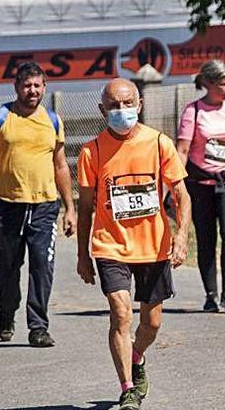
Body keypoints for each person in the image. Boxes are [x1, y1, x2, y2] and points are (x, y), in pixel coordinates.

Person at [76, 78, 191, 410]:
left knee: (151, 323)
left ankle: (137, 354)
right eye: (113, 105)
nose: (121, 111)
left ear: (139, 104)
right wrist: (83, 255)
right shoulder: (91, 151)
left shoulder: (158, 144)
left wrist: (181, 237)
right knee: (120, 313)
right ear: (102, 110)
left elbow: (182, 195)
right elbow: (85, 208)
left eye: (127, 104)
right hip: (110, 245)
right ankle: (128, 388)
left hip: (154, 246)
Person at [0, 61, 75, 348]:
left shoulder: (53, 120)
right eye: (26, 85)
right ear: (16, 86)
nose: (32, 91)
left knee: (42, 265)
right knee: (8, 265)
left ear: (45, 87)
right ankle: (8, 310)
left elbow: (60, 165)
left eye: (37, 85)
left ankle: (38, 327)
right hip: (7, 205)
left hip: (44, 205)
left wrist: (70, 208)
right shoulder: (0, 115)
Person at [175, 59, 225, 313]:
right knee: (206, 238)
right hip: (200, 183)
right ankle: (211, 294)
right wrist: (176, 186)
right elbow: (183, 150)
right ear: (208, 84)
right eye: (223, 83)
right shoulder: (194, 111)